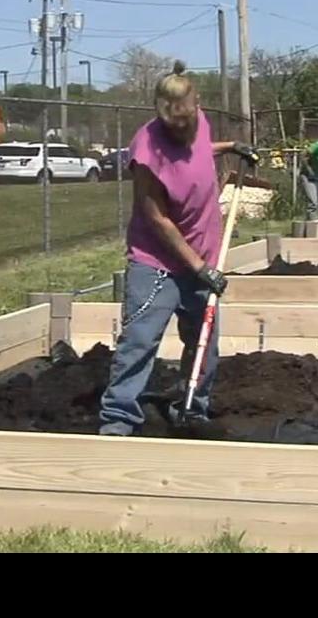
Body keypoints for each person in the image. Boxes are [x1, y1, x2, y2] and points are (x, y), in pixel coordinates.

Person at [98, 62, 258, 437]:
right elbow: (157, 220)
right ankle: (118, 421)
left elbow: (199, 150)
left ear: (196, 104)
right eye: (173, 125)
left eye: (187, 121)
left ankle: (192, 407)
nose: (181, 129)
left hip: (204, 257)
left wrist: (232, 147)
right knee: (139, 340)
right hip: (158, 263)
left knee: (203, 345)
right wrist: (199, 267)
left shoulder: (198, 121)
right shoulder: (146, 152)